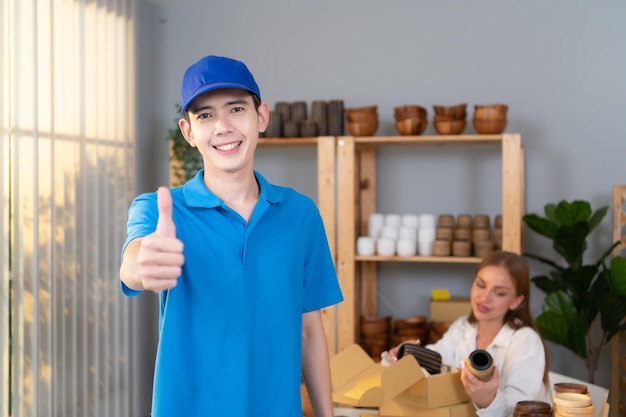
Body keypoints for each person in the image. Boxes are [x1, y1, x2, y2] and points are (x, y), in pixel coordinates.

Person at [119, 55, 343, 417]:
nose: (222, 126)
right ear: (188, 131)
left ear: (262, 117)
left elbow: (309, 332)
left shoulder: (301, 214)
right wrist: (142, 264)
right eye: (205, 115)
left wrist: (326, 415)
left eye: (236, 108)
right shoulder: (159, 210)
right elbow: (133, 262)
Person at [382, 251, 551, 417]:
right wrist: (408, 356)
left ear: (516, 301)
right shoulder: (462, 328)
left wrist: (487, 399)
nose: (485, 297)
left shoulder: (526, 340)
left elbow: (522, 410)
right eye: (481, 285)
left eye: (499, 293)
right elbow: (437, 360)